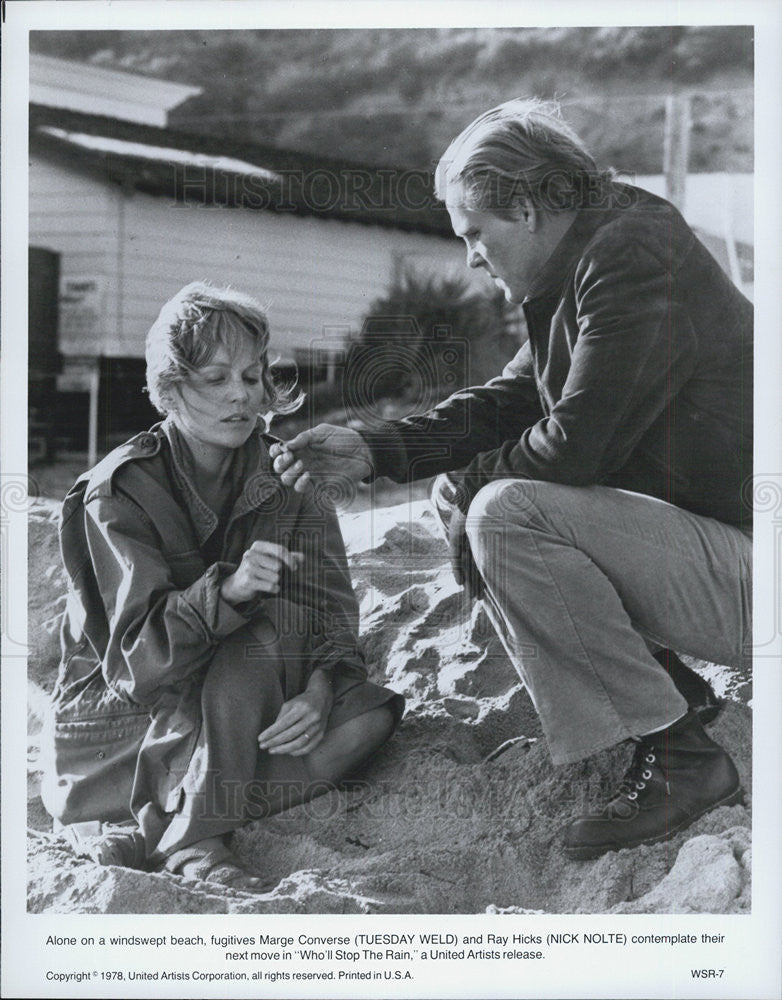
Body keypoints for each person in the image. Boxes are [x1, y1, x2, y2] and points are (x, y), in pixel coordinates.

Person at [272, 98, 752, 860]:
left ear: (524, 209)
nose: (469, 257)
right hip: (724, 555)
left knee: (502, 510)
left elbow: (572, 450)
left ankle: (682, 757)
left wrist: (471, 492)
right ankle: (672, 700)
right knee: (471, 495)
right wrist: (378, 447)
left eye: (474, 234)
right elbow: (512, 400)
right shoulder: (586, 254)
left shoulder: (632, 256)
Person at [41, 282, 403, 889]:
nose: (242, 394)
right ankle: (196, 841)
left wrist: (318, 690)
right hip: (128, 728)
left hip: (245, 711)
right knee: (264, 626)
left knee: (366, 720)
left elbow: (332, 614)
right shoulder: (118, 490)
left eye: (252, 375)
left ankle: (154, 827)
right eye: (215, 378)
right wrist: (228, 592)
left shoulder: (286, 470)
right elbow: (140, 662)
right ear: (170, 388)